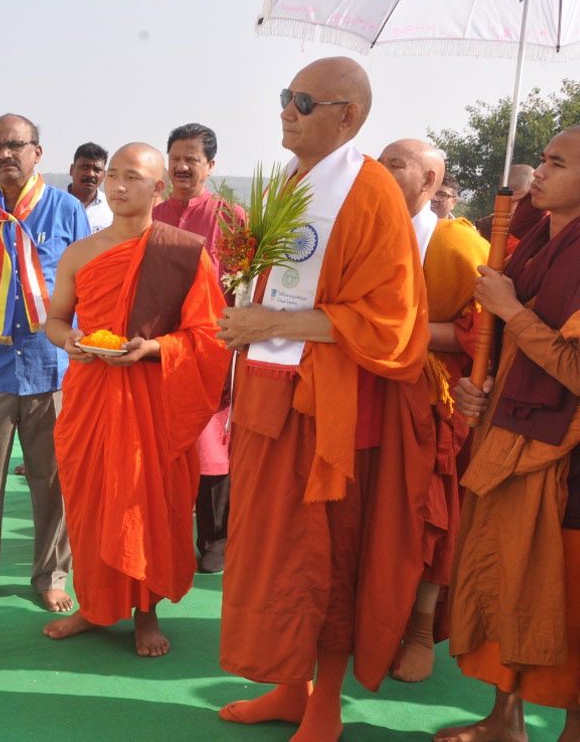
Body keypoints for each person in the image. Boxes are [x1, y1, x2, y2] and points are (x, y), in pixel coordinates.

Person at [215, 57, 434, 742]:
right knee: (273, 553)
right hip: (267, 396)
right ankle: (288, 686)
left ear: (348, 115)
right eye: (286, 96)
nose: (287, 110)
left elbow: (394, 325)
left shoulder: (369, 194)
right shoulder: (290, 181)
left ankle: (324, 703)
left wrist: (270, 323)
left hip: (329, 411)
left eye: (303, 101)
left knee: (327, 557)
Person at [43, 143, 228, 655]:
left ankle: (146, 614)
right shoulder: (82, 252)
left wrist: (154, 349)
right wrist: (69, 341)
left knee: (143, 504)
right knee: (91, 501)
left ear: (158, 188)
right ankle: (94, 606)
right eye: (113, 177)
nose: (119, 186)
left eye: (133, 177)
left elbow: (208, 335)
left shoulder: (183, 251)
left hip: (153, 397)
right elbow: (55, 319)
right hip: (90, 392)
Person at [438, 125, 580, 742]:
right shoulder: (528, 243)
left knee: (564, 589)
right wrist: (484, 387)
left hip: (565, 450)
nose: (539, 171)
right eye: (542, 159)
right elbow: (503, 349)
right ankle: (504, 719)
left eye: (557, 162)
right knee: (500, 572)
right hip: (510, 428)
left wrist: (510, 310)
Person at [0, 113, 87, 612]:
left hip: (51, 370)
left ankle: (51, 575)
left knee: (53, 479)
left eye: (15, 145)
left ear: (37, 152)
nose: (5, 155)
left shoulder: (67, 211)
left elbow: (84, 284)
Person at [378, 138, 489, 683]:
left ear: (429, 182)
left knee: (430, 516)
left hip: (433, 397)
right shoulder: (358, 230)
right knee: (375, 511)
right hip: (368, 389)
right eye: (377, 162)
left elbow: (483, 330)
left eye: (394, 165)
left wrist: (405, 335)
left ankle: (420, 626)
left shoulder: (454, 245)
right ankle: (372, 619)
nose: (379, 171)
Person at [152, 122, 242, 574]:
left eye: (192, 159)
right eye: (176, 159)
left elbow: (247, 287)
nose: (182, 167)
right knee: (161, 443)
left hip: (211, 348)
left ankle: (216, 538)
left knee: (211, 444)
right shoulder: (151, 215)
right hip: (159, 348)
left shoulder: (232, 219)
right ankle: (164, 535)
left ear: (210, 166)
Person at [476, 163, 535, 252]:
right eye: (510, 202)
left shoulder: (546, 227)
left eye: (522, 201)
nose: (514, 208)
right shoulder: (487, 227)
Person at [68, 142, 112, 234]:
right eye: (85, 167)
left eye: (97, 170)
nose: (90, 174)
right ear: (72, 170)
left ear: (104, 175)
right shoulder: (55, 205)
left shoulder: (111, 208)